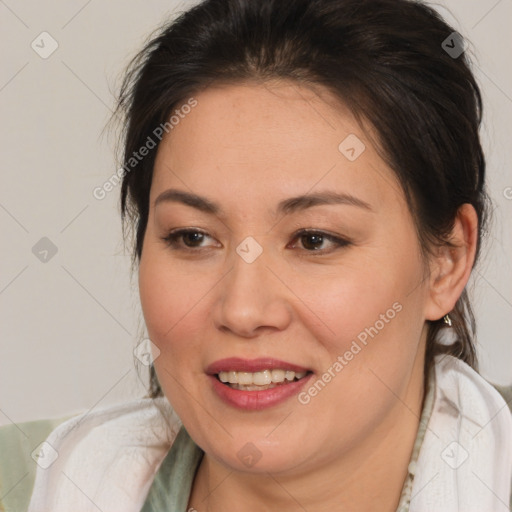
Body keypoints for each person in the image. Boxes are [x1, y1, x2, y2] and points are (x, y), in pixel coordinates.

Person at [27, 0, 512, 511]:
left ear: (447, 260)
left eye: (314, 239)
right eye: (193, 237)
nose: (242, 310)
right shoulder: (35, 482)